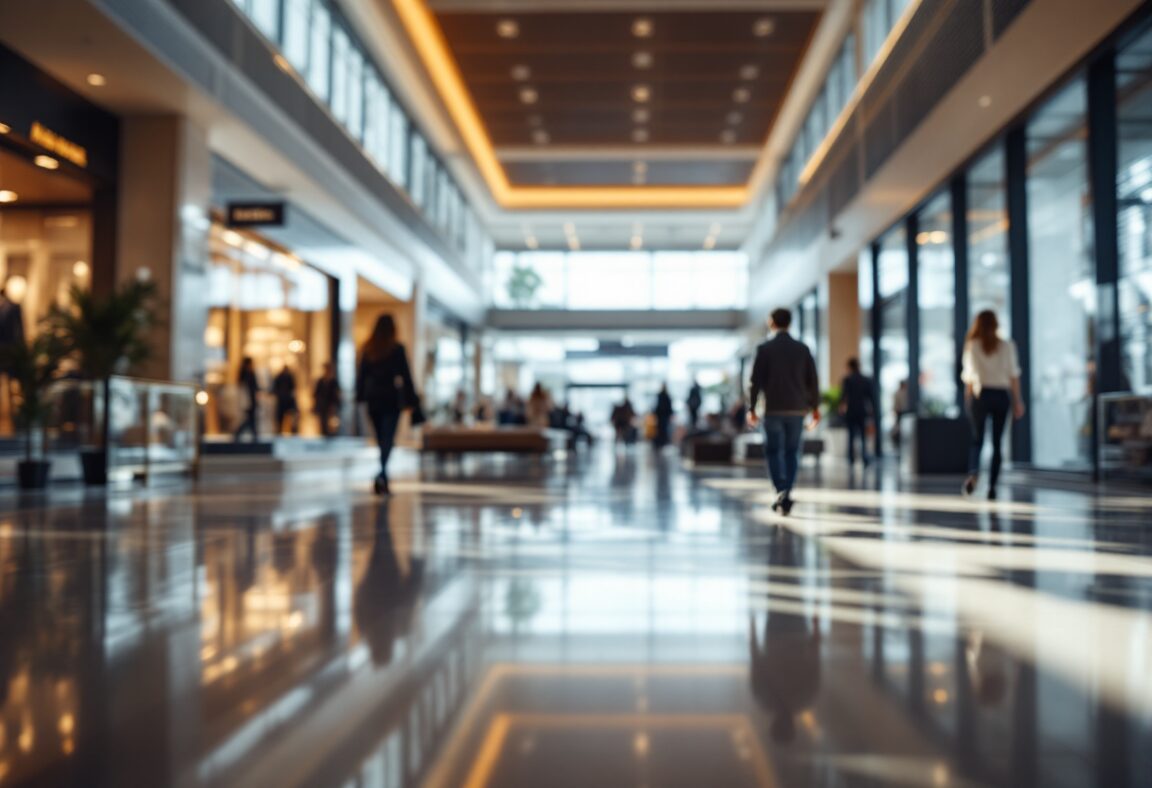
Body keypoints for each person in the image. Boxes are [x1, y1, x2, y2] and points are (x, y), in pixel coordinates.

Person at [747, 308, 820, 515]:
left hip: (772, 409)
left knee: (773, 451)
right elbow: (812, 380)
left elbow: (754, 382)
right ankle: (786, 491)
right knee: (791, 452)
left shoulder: (764, 348)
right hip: (797, 410)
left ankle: (780, 490)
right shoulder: (802, 349)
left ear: (771, 323)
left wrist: (751, 408)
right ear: (790, 323)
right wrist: (815, 408)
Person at [961, 310, 1024, 500]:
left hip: (981, 395)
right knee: (997, 443)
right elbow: (1014, 376)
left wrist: (968, 400)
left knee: (977, 439)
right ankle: (992, 487)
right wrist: (1017, 401)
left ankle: (973, 474)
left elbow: (969, 378)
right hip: (1001, 396)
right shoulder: (1007, 346)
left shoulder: (972, 346)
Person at [356, 314, 419, 496]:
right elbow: (406, 377)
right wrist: (412, 400)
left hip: (374, 400)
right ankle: (382, 474)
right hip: (391, 400)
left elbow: (361, 377)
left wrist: (360, 397)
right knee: (387, 438)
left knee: (381, 439)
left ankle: (382, 474)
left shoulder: (369, 349)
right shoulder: (396, 349)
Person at [839, 358, 876, 466]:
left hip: (851, 411)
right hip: (862, 411)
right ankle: (864, 457)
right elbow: (871, 397)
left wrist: (841, 408)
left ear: (850, 367)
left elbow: (843, 396)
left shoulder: (847, 379)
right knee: (863, 437)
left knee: (851, 436)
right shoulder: (866, 379)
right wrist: (872, 410)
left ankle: (851, 459)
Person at [313, 362, 342, 438]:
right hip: (323, 405)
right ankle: (324, 435)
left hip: (331, 405)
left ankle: (332, 435)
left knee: (332, 422)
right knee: (323, 422)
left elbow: (336, 394)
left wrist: (336, 404)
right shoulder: (321, 381)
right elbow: (316, 393)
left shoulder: (334, 382)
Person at [234, 357, 260, 441]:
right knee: (250, 419)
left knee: (250, 418)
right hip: (249, 400)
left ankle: (253, 434)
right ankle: (240, 432)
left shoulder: (243, 374)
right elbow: (253, 387)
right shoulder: (249, 373)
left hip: (247, 399)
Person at [272, 364, 299, 435]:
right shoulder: (280, 377)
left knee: (289, 417)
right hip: (282, 400)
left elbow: (293, 388)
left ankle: (291, 431)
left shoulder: (288, 377)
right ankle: (281, 431)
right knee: (281, 417)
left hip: (286, 400)